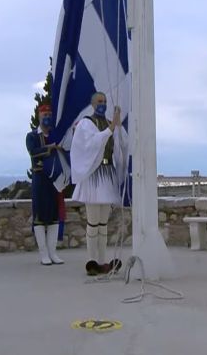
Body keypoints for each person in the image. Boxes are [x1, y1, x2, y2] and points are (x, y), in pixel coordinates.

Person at [70, 92, 126, 276]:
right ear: (93, 104)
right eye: (99, 102)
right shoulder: (86, 124)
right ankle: (91, 259)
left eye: (104, 102)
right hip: (94, 177)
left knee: (103, 223)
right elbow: (92, 143)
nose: (102, 104)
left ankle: (101, 260)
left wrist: (116, 128)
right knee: (93, 222)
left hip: (107, 174)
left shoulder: (109, 123)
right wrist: (111, 127)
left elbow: (119, 147)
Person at [26, 104, 65, 265]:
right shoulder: (32, 135)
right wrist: (50, 148)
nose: (47, 117)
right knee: (40, 217)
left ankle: (53, 253)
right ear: (39, 116)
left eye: (49, 114)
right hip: (40, 178)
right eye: (44, 114)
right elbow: (33, 151)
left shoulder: (56, 134)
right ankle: (43, 254)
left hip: (55, 179)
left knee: (54, 216)